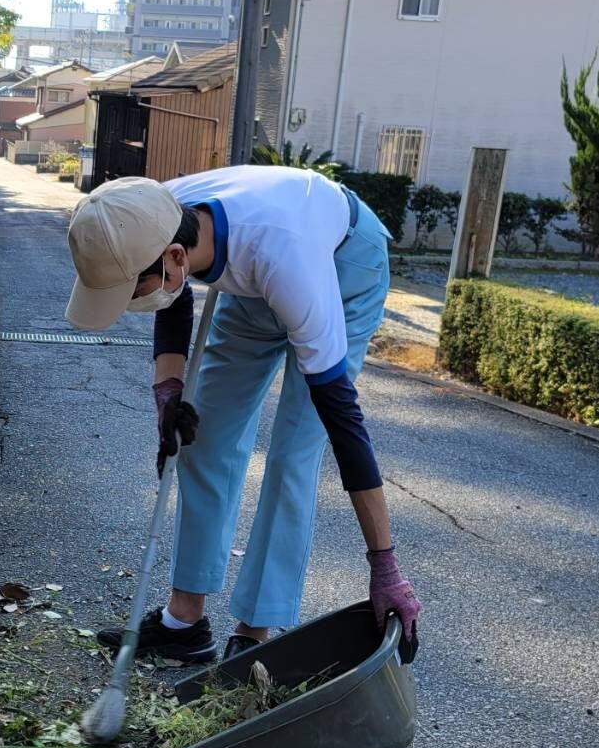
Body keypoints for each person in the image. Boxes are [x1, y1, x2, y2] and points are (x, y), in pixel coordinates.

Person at [65, 166, 421, 666]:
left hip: (340, 266)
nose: (129, 303)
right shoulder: (146, 211)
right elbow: (173, 292)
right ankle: (184, 623)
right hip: (254, 272)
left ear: (175, 256)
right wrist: (168, 393)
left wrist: (384, 563)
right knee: (204, 436)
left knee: (293, 453)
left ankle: (254, 631)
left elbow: (343, 420)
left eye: (131, 292)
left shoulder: (286, 260)